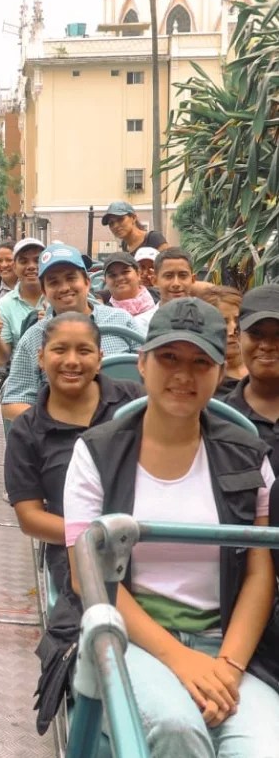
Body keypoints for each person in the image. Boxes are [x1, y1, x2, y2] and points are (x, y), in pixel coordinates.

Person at [64, 298, 279, 756]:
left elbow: (260, 573)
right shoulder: (97, 454)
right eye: (169, 358)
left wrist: (228, 666)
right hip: (130, 640)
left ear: (222, 373)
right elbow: (88, 576)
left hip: (226, 646)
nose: (184, 375)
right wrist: (179, 659)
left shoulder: (248, 457)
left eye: (201, 362)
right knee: (177, 730)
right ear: (142, 363)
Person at [5, 313, 142, 592]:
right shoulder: (27, 431)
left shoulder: (135, 403)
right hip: (76, 553)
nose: (71, 361)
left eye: (84, 351)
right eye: (59, 350)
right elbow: (30, 517)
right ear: (41, 357)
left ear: (100, 358)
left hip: (149, 547)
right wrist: (96, 537)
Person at [0, 243, 142, 421]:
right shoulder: (34, 337)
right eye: (54, 282)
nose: (64, 287)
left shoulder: (122, 320)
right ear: (44, 291)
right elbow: (13, 403)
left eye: (71, 278)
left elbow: (151, 375)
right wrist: (63, 425)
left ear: (87, 282)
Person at [225, 284, 279, 475]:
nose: (267, 345)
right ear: (238, 336)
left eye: (278, 334)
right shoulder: (220, 418)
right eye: (256, 333)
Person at [0, 238, 46, 368]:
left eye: (37, 260)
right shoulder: (3, 306)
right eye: (23, 261)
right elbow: (0, 360)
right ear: (15, 267)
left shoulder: (60, 298)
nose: (31, 266)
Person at [196, 286, 247, 397]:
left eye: (238, 320)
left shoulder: (265, 370)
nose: (232, 330)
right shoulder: (201, 381)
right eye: (223, 322)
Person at [102, 251, 155, 330]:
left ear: (138, 273)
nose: (119, 278)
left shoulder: (158, 297)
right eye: (112, 275)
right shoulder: (104, 316)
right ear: (105, 280)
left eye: (125, 272)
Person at [101, 200, 168, 255]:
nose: (115, 226)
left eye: (120, 219)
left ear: (133, 218)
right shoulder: (125, 245)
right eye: (111, 223)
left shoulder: (154, 238)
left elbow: (168, 265)